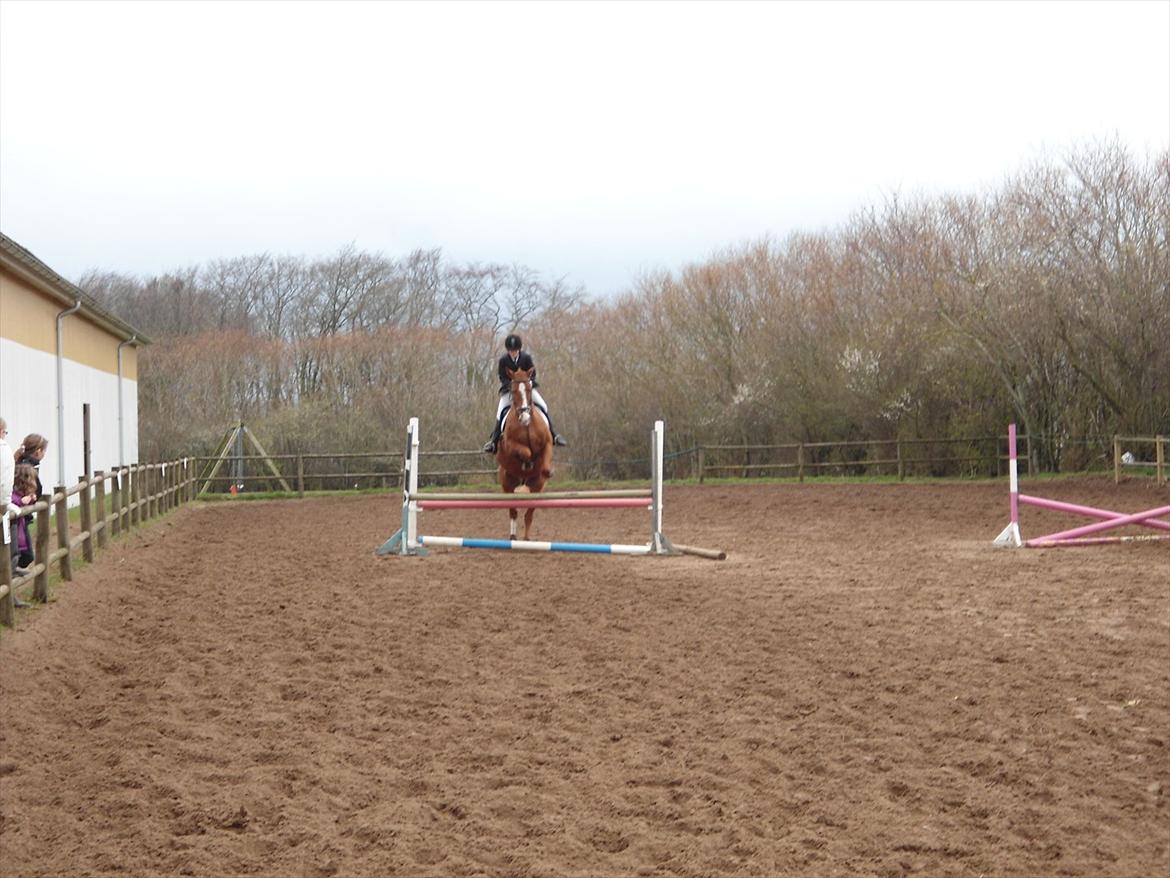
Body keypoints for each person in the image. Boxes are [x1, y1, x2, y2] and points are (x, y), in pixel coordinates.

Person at [482, 334, 568, 454]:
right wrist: (511, 386)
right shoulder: (503, 360)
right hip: (510, 390)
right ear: (508, 350)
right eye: (511, 351)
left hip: (527, 389)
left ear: (519, 349)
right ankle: (493, 441)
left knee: (543, 406)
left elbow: (533, 373)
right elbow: (502, 376)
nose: (513, 353)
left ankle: (554, 435)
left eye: (515, 350)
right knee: (500, 411)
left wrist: (527, 384)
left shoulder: (526, 358)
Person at [10, 463, 37, 576]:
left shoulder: (20, 494)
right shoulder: (12, 494)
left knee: (25, 556)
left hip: (19, 529)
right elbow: (10, 504)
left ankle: (12, 574)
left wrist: (31, 500)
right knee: (14, 555)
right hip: (12, 530)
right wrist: (21, 502)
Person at [14, 433, 47, 498]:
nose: (44, 454)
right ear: (39, 451)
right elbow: (36, 490)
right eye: (44, 451)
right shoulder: (26, 468)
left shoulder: (20, 462)